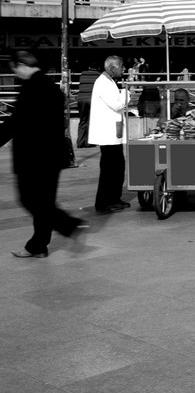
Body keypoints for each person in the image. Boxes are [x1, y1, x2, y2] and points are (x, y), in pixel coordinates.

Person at [0, 51, 87, 258]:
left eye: (15, 69)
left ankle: (70, 225)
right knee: (45, 202)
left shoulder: (30, 87)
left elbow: (15, 123)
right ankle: (38, 245)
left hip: (33, 157)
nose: (16, 73)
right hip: (53, 156)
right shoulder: (52, 88)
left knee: (30, 200)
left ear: (22, 65)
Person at [89, 55, 131, 212]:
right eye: (121, 66)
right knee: (108, 169)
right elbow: (117, 104)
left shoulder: (110, 81)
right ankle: (103, 202)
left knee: (118, 167)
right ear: (112, 67)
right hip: (107, 134)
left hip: (114, 133)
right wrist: (127, 92)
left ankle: (114, 198)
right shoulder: (103, 83)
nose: (123, 69)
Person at [76, 64, 101, 147]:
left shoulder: (83, 74)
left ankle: (80, 143)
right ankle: (88, 142)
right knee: (90, 121)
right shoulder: (98, 75)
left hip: (81, 99)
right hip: (91, 99)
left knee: (82, 120)